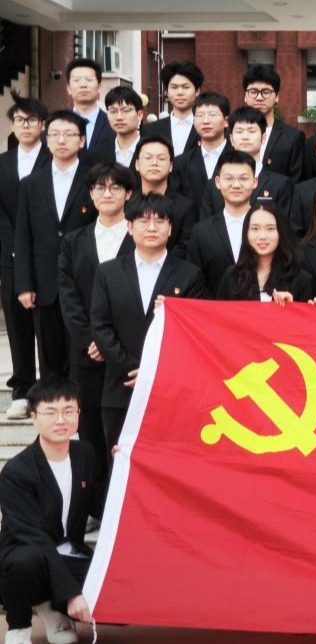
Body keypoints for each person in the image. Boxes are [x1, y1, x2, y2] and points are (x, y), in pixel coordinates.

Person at [91, 193, 207, 446]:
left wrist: (155, 372)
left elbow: (194, 333)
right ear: (130, 227)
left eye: (160, 221)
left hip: (171, 388)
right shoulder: (108, 272)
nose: (152, 227)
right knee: (119, 461)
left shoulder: (190, 275)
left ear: (170, 228)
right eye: (143, 221)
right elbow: (101, 327)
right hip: (120, 388)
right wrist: (135, 370)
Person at [0, 379, 104, 644]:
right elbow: (33, 537)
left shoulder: (85, 454)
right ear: (34, 418)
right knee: (25, 562)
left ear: (78, 414)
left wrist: (125, 467)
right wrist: (71, 592)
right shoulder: (15, 472)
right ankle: (19, 626)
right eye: (50, 412)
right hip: (29, 555)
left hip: (69, 553)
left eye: (69, 411)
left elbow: (99, 505)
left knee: (116, 595)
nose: (61, 420)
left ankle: (51, 607)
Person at [57, 162, 136, 479]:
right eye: (99, 187)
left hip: (127, 355)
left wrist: (111, 345)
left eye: (115, 187)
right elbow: (69, 298)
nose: (107, 193)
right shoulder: (74, 241)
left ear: (128, 194)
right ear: (90, 194)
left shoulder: (140, 238)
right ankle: (93, 499)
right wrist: (92, 340)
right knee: (88, 431)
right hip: (86, 354)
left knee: (124, 434)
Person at [15, 110, 97, 381]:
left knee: (82, 355)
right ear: (46, 139)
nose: (62, 140)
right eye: (55, 134)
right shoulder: (31, 184)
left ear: (82, 140)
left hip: (84, 281)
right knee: (49, 355)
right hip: (44, 283)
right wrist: (24, 284)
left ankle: (81, 405)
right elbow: (23, 236)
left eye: (69, 134)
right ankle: (53, 404)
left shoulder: (95, 181)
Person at [0, 93, 48, 419]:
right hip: (10, 254)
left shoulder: (53, 159)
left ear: (42, 125)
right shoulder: (3, 163)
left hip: (45, 253)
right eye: (19, 120)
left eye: (31, 120)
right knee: (17, 324)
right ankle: (22, 389)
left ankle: (49, 388)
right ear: (13, 126)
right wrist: (13, 244)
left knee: (47, 324)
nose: (25, 125)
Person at [199, 107, 293, 220]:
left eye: (251, 131)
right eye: (239, 131)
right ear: (231, 138)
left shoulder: (280, 184)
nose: (245, 137)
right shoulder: (213, 186)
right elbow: (206, 226)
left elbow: (283, 225)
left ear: (263, 138)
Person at [186, 150, 258, 293]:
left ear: (255, 182)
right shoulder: (201, 232)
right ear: (218, 182)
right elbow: (194, 280)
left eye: (243, 179)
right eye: (229, 179)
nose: (236, 185)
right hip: (212, 305)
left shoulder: (269, 227)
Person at [217, 204, 312, 303]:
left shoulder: (301, 279)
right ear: (246, 233)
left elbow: (306, 312)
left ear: (281, 232)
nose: (262, 236)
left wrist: (291, 306)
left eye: (270, 228)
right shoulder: (232, 276)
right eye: (255, 229)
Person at [134, 135, 199, 258]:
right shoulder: (127, 203)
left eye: (161, 158)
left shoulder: (186, 207)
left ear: (171, 166)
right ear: (137, 164)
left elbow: (185, 247)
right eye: (148, 158)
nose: (154, 163)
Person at [242, 64, 304, 183]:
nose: (259, 98)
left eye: (266, 92)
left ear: (277, 97)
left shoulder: (292, 137)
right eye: (253, 91)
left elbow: (295, 183)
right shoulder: (231, 134)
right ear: (245, 96)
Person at [171, 92, 231, 205]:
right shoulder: (181, 163)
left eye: (212, 115)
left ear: (226, 121)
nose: (205, 121)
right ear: (193, 122)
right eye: (200, 115)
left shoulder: (239, 159)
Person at [143, 60, 204, 156]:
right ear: (167, 92)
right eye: (174, 87)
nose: (180, 92)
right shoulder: (150, 130)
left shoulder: (207, 128)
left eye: (185, 87)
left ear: (197, 91)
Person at [65, 57, 113, 151]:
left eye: (89, 80)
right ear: (68, 88)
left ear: (99, 87)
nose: (83, 85)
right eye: (76, 80)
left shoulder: (113, 123)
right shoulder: (58, 124)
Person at [93, 86, 144, 171]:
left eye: (126, 110)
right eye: (113, 111)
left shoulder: (151, 149)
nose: (119, 117)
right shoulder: (98, 152)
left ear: (139, 115)